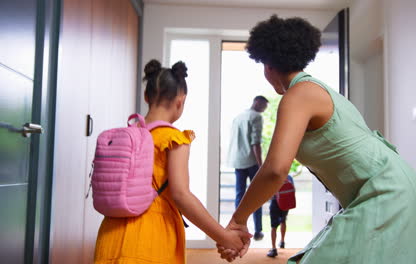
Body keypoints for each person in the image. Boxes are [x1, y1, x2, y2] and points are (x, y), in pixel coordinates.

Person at [218, 15, 416, 263]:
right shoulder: (317, 90)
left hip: (387, 192)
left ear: (267, 66)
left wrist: (238, 220)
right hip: (394, 187)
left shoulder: (298, 95)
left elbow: (275, 169)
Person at [94, 59, 250, 264]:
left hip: (110, 237)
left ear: (146, 96)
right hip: (150, 240)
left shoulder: (123, 137)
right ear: (180, 100)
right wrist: (224, 237)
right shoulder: (173, 139)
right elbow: (181, 195)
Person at [226, 95, 269, 241]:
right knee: (255, 195)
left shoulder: (238, 117)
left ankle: (238, 228)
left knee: (239, 195)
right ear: (257, 102)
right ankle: (258, 230)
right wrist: (261, 165)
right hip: (251, 161)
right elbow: (255, 143)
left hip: (237, 160)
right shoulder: (256, 117)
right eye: (264, 106)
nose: (264, 109)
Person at [267, 174, 294, 258]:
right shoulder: (289, 177)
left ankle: (274, 248)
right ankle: (282, 241)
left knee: (273, 226)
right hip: (285, 203)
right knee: (283, 221)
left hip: (275, 203)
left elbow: (269, 193)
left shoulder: (273, 177)